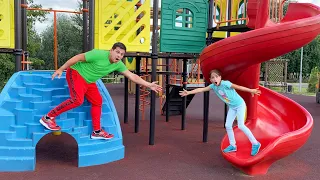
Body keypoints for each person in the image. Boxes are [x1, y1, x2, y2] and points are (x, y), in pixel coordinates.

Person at [40, 42, 162, 140]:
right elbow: (78, 57)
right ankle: (48, 117)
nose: (119, 56)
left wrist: (149, 85)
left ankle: (97, 131)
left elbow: (132, 76)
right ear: (111, 51)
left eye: (122, 54)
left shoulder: (118, 64)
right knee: (77, 100)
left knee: (98, 101)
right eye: (117, 52)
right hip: (76, 74)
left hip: (89, 81)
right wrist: (61, 69)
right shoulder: (98, 54)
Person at [179, 69, 261, 156]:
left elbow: (238, 87)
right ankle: (233, 145)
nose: (215, 79)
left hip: (240, 105)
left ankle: (255, 143)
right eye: (213, 78)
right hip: (232, 107)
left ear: (220, 77)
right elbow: (201, 89)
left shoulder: (225, 83)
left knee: (241, 125)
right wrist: (188, 92)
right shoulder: (213, 87)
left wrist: (251, 90)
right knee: (228, 125)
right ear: (210, 80)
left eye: (216, 77)